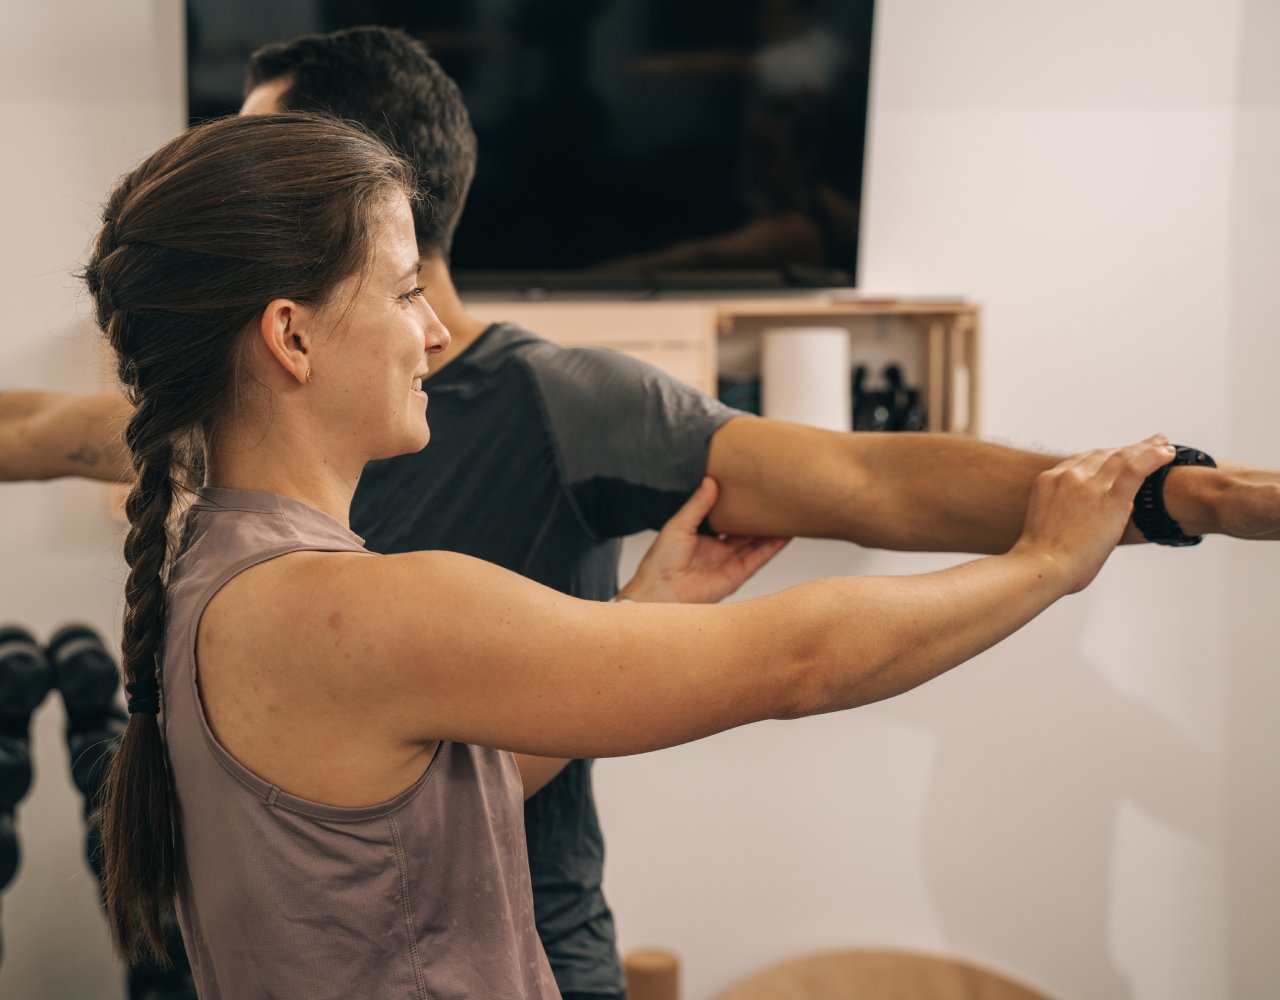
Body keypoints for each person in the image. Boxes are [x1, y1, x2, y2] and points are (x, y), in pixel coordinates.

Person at [5, 26, 1280, 1000]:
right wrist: (1047, 565)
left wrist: (1166, 497)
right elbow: (797, 656)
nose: (432, 323)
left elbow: (416, 806)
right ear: (287, 332)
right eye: (398, 293)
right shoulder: (352, 603)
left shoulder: (216, 555)